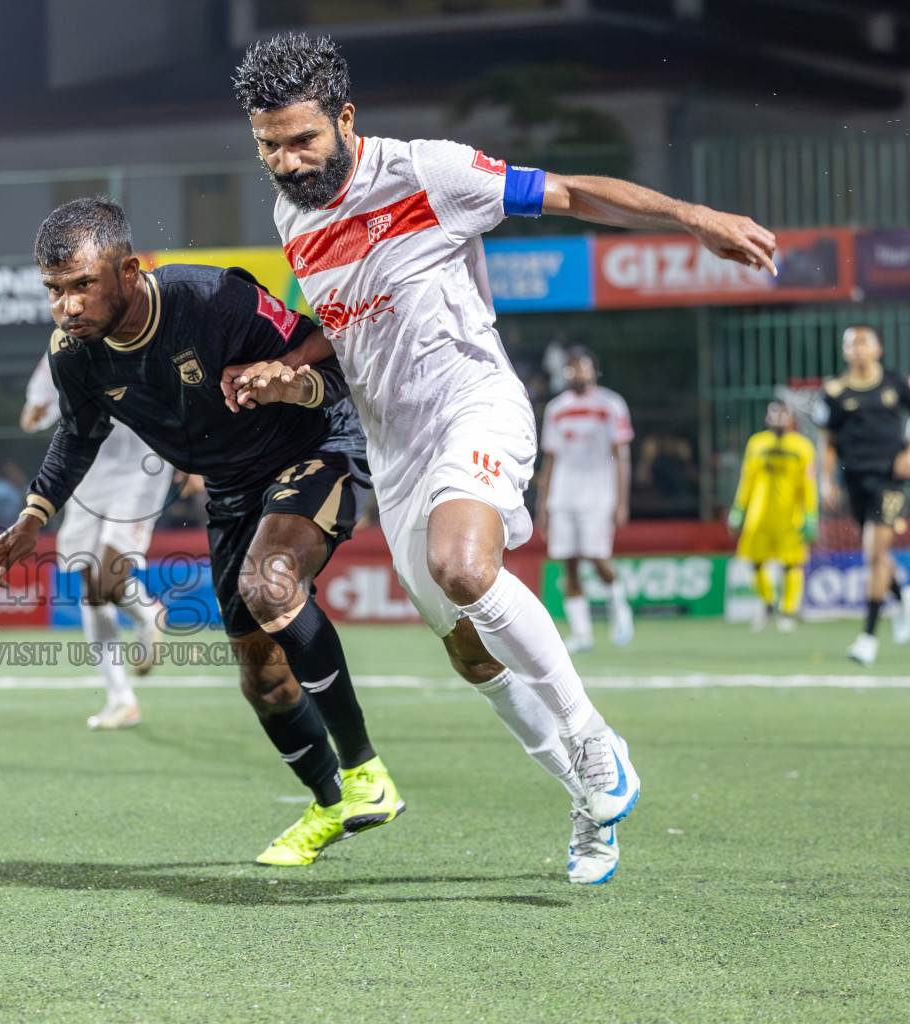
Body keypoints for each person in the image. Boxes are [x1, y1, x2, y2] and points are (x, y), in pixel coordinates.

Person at [228, 34, 775, 883]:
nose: (289, 161)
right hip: (396, 451)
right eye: (270, 146)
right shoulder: (291, 218)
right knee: (471, 654)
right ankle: (588, 803)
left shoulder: (429, 172)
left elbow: (571, 193)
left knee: (462, 563)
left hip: (474, 404)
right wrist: (285, 373)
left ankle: (595, 739)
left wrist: (693, 218)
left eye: (303, 139)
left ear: (344, 118)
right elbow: (343, 336)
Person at [0, 197, 396, 866]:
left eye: (83, 285)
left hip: (311, 448)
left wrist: (286, 383)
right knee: (262, 678)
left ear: (130, 270)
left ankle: (365, 771)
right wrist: (34, 515)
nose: (68, 307)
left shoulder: (211, 298)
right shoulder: (74, 357)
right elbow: (78, 435)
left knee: (271, 583)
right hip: (232, 489)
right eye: (54, 291)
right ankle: (328, 804)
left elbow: (335, 357)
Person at [21, 353, 170, 729]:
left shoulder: (148, 324)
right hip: (86, 469)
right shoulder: (66, 344)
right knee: (90, 585)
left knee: (107, 578)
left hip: (141, 468)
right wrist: (38, 409)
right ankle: (121, 698)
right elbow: (38, 405)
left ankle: (149, 614)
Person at [814, 325, 910, 665]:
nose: (856, 348)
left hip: (890, 480)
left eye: (863, 342)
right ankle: (903, 599)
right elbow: (827, 441)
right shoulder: (834, 392)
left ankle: (867, 639)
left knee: (873, 553)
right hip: (853, 479)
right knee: (877, 554)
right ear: (844, 352)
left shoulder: (896, 385)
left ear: (878, 348)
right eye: (850, 343)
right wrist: (826, 480)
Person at [537, 346, 635, 653]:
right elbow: (550, 459)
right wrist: (543, 503)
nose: (579, 373)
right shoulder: (556, 408)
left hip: (598, 493)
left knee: (596, 556)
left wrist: (622, 500)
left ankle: (619, 605)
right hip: (563, 496)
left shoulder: (611, 404)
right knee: (569, 564)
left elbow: (622, 455)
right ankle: (582, 633)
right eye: (573, 368)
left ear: (595, 370)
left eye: (584, 367)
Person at [730, 400, 818, 633]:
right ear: (767, 419)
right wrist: (739, 509)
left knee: (792, 565)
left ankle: (788, 611)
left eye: (782, 415)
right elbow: (747, 478)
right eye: (773, 415)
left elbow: (809, 485)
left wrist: (810, 515)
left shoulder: (802, 447)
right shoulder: (756, 444)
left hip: (790, 518)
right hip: (758, 517)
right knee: (755, 563)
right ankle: (768, 605)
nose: (777, 419)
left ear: (790, 418)